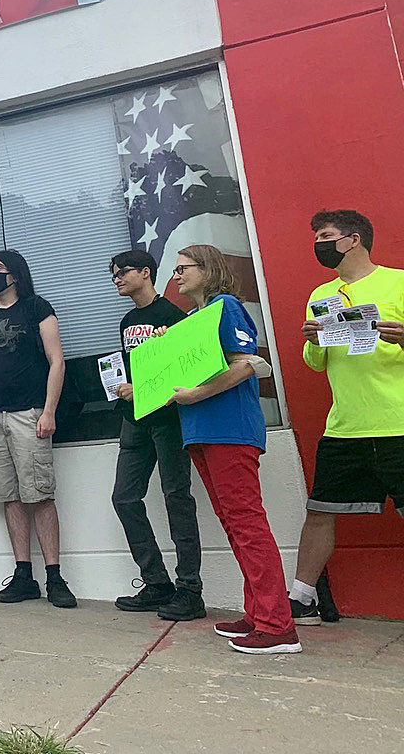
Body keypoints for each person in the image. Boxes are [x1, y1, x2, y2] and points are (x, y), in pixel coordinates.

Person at [169, 245, 300, 654]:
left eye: (183, 268)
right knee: (234, 524)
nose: (176, 276)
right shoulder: (191, 320)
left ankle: (278, 625)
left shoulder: (226, 306)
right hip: (202, 431)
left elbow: (246, 363)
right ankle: (259, 614)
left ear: (209, 270)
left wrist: (196, 394)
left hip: (229, 430)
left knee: (246, 523)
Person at [290, 210, 404, 625]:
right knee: (320, 510)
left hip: (398, 423)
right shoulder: (322, 294)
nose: (318, 245)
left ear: (353, 240)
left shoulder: (399, 281)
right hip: (345, 427)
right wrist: (315, 339)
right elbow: (316, 363)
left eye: (325, 236)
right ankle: (302, 599)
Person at [0, 250, 76, 608]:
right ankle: (23, 574)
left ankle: (55, 576)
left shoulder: (36, 308)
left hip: (30, 413)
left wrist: (49, 411)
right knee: (10, 496)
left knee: (40, 495)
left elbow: (56, 359)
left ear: (14, 274)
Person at [108, 250, 205, 621]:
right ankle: (156, 582)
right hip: (135, 419)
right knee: (124, 497)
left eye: (122, 272)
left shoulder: (172, 316)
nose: (116, 279)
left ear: (145, 273)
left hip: (168, 419)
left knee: (176, 497)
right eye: (112, 274)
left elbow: (184, 369)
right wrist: (126, 387)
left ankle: (190, 590)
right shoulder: (127, 320)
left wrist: (145, 385)